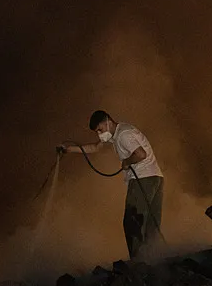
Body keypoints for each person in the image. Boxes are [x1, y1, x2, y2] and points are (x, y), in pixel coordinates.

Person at [61, 110, 164, 259]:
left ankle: (139, 263)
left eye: (100, 130)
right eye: (97, 132)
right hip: (156, 178)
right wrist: (69, 149)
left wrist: (127, 162)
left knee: (132, 222)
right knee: (150, 225)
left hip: (143, 178)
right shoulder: (117, 134)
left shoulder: (123, 135)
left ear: (108, 121)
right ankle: (157, 260)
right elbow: (95, 148)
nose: (99, 134)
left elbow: (141, 154)